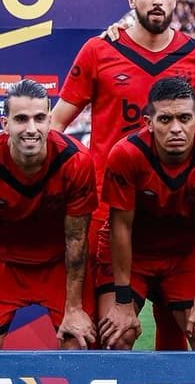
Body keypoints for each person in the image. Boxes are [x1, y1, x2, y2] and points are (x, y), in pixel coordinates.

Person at [51, 0, 195, 350]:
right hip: (109, 212)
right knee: (110, 337)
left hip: (178, 215)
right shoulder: (99, 50)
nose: (157, 0)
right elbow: (56, 124)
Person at [95, 77, 195, 350]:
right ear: (148, 122)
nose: (176, 129)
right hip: (133, 253)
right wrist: (123, 303)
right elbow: (120, 228)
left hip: (184, 254)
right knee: (116, 335)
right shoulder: (126, 153)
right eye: (165, 120)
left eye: (184, 118)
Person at [0, 79, 97, 350]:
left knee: (78, 343)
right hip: (5, 265)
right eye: (21, 119)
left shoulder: (75, 160)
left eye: (40, 118)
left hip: (59, 266)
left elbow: (76, 241)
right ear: (5, 124)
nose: (31, 129)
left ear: (49, 120)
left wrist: (74, 307)